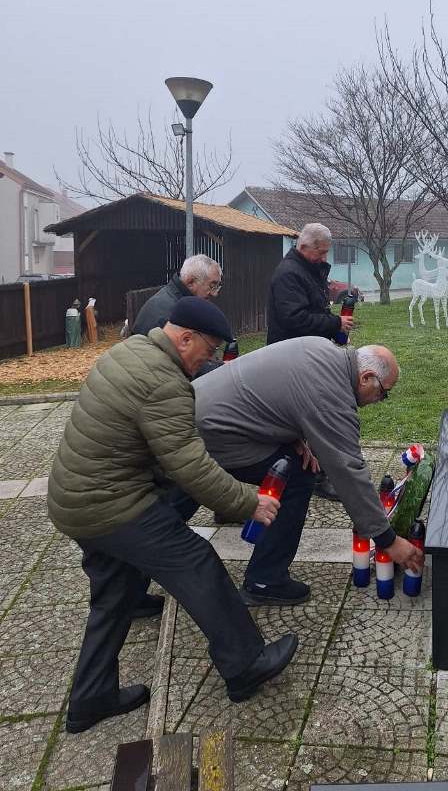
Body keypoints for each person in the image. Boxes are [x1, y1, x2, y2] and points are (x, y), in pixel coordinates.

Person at [47, 298, 298, 734]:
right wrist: (249, 501)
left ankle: (90, 697)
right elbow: (190, 468)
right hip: (111, 504)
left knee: (116, 594)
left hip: (73, 500)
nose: (210, 359)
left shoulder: (133, 349)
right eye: (208, 349)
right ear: (184, 338)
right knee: (196, 561)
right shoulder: (164, 382)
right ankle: (246, 664)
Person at [192, 337, 425, 606]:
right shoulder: (332, 393)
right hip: (212, 431)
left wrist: (293, 434)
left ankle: (157, 538)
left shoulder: (323, 349)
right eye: (383, 393)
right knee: (295, 475)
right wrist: (388, 540)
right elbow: (348, 470)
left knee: (175, 492)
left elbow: (282, 394)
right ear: (366, 378)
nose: (380, 400)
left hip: (198, 406)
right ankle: (265, 581)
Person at [266, 223, 354, 500]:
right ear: (304, 247)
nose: (325, 258)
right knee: (314, 416)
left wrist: (334, 328)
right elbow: (294, 319)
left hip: (306, 354)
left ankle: (313, 471)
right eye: (321, 253)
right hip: (290, 358)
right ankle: (314, 476)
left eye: (327, 253)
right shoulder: (289, 274)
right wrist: (334, 323)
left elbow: (314, 308)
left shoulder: (306, 270)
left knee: (313, 415)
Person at [132, 253, 222, 336]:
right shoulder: (167, 314)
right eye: (212, 286)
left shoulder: (182, 303)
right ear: (191, 282)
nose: (214, 294)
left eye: (217, 287)